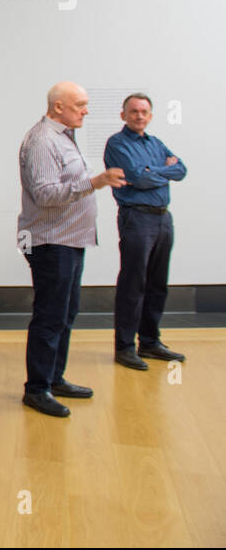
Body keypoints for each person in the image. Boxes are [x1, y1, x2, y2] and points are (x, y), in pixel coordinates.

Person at [17, 82, 126, 417]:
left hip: (70, 240)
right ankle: (36, 389)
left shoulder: (63, 137)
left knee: (65, 314)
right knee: (49, 317)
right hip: (51, 242)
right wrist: (95, 182)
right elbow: (46, 194)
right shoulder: (42, 140)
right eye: (80, 104)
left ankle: (53, 378)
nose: (86, 110)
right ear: (58, 106)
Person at [103, 94, 187, 369]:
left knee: (157, 284)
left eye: (144, 112)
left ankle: (150, 342)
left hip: (163, 219)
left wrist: (154, 171)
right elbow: (137, 178)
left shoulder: (155, 143)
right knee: (133, 284)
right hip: (136, 219)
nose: (139, 116)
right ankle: (125, 348)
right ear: (123, 115)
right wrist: (165, 170)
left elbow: (182, 170)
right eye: (134, 111)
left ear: (151, 115)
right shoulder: (117, 144)